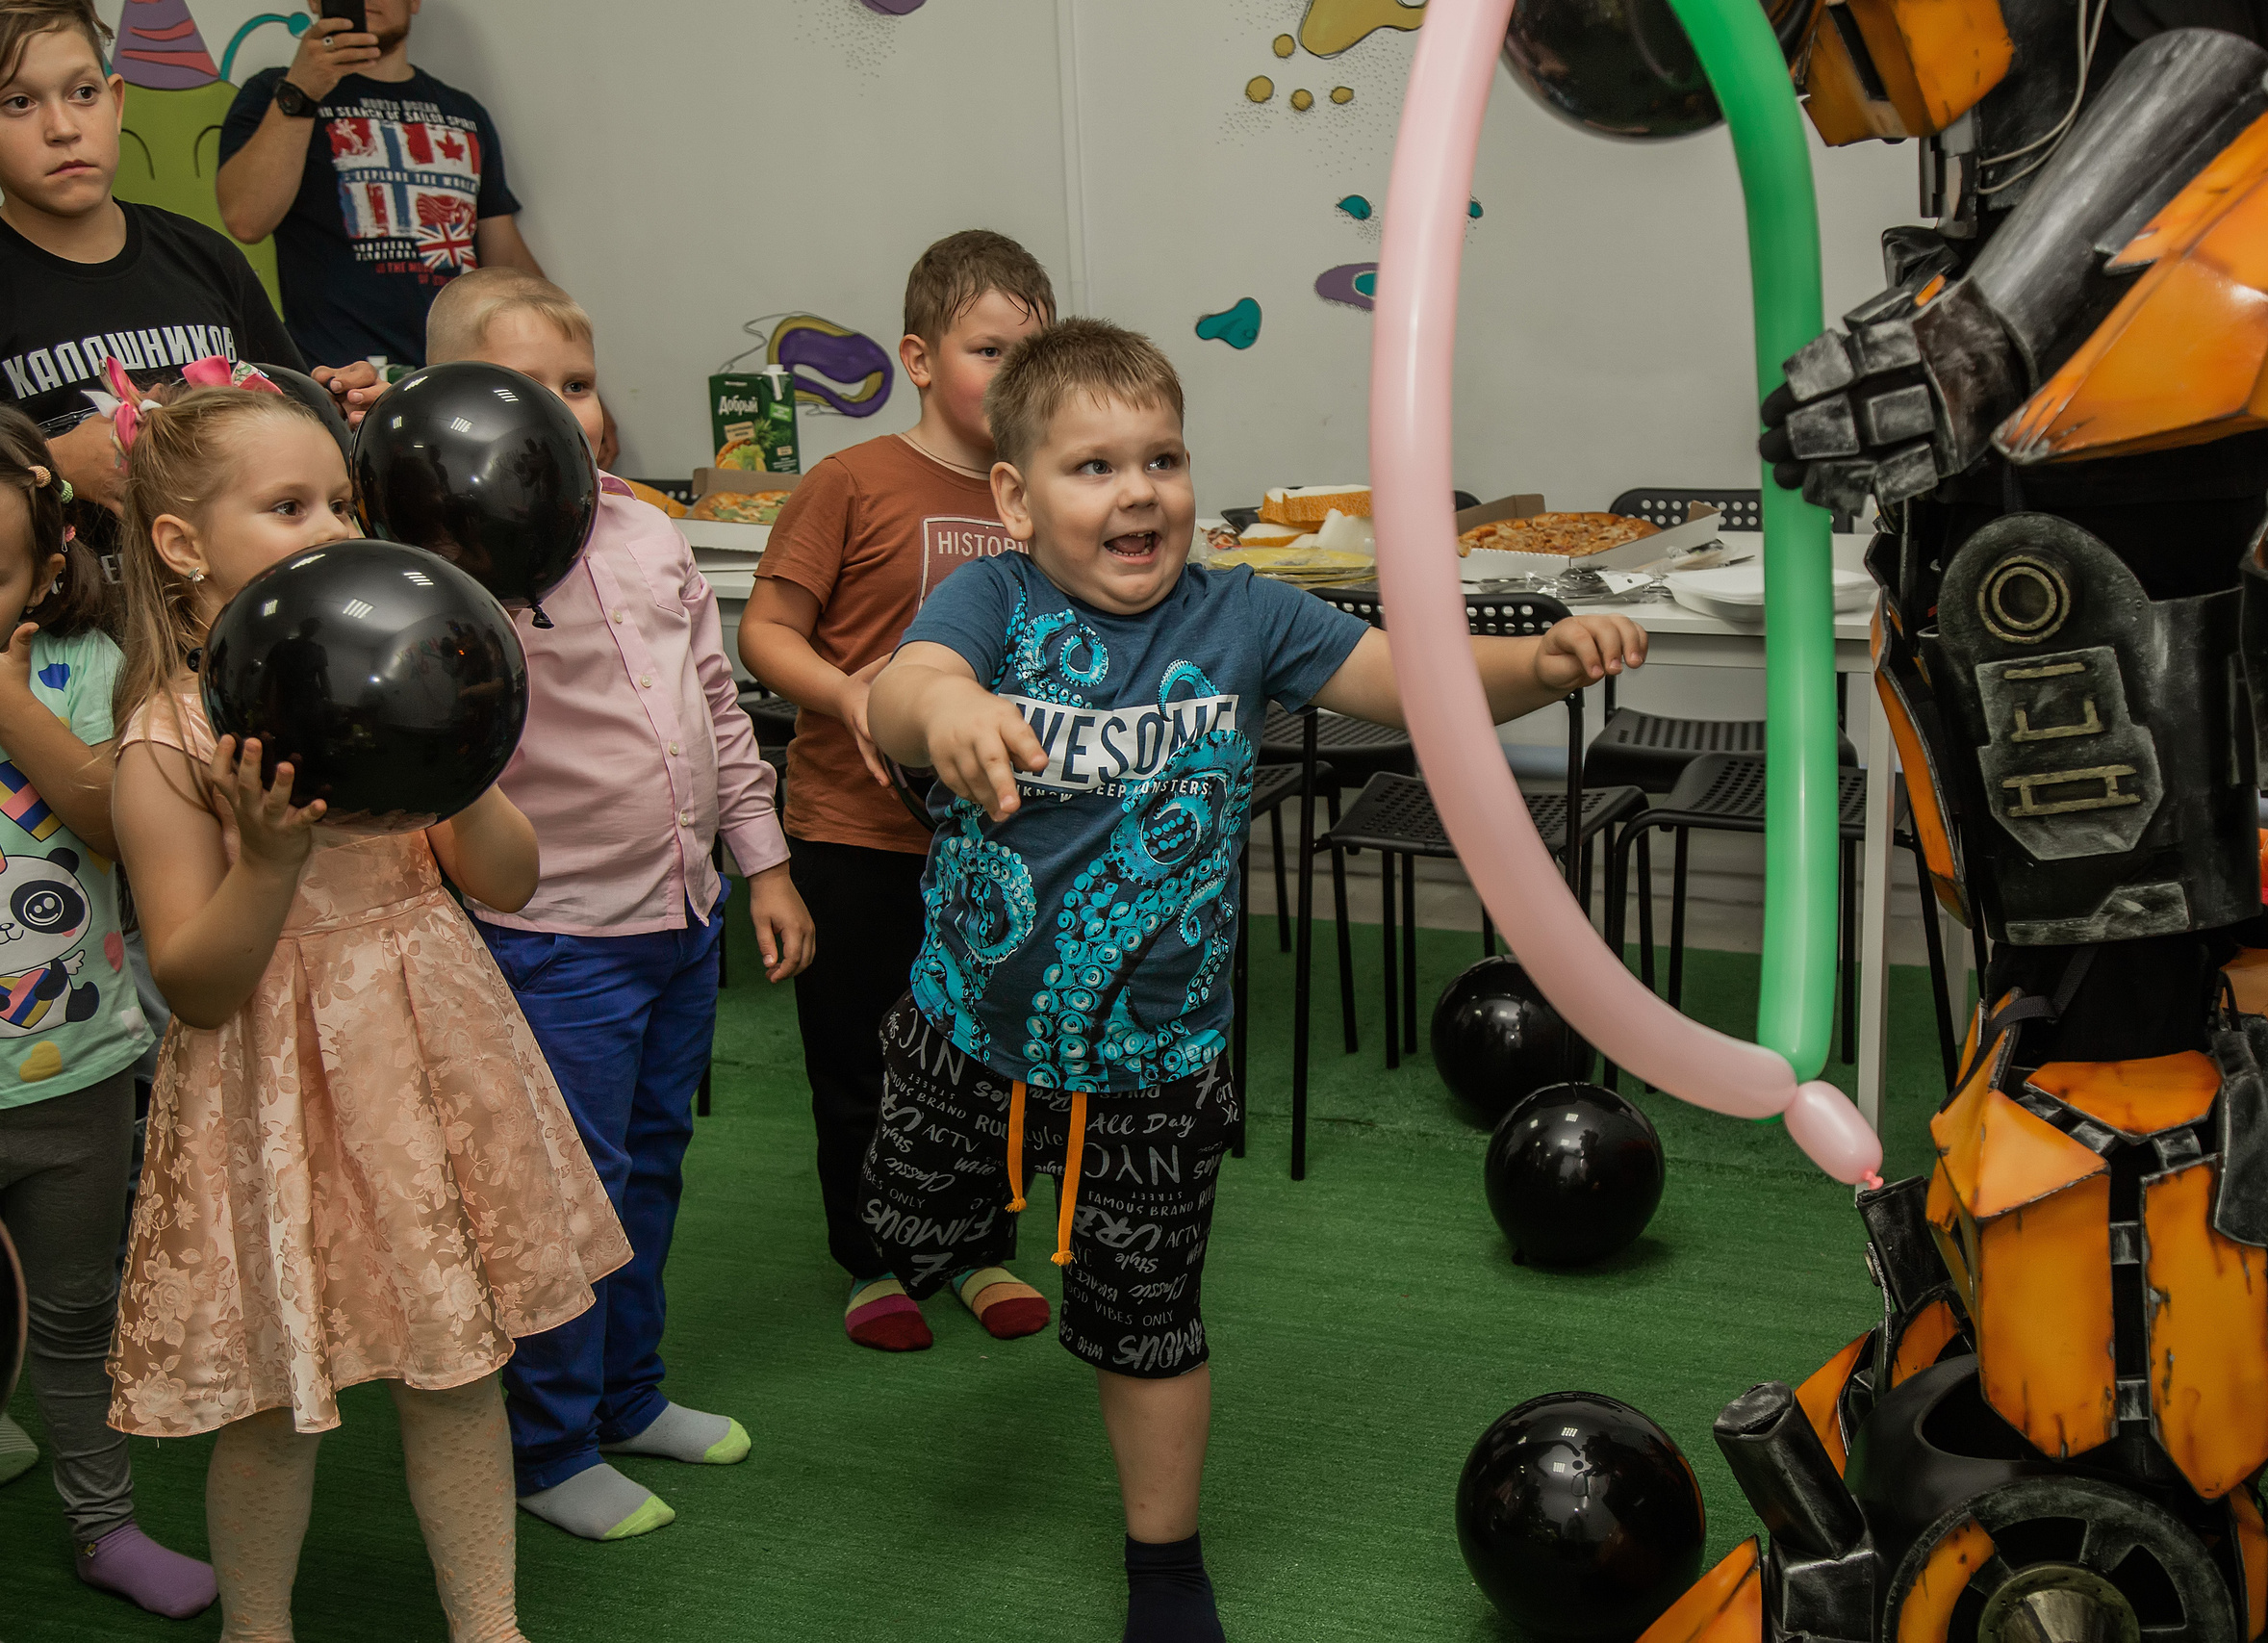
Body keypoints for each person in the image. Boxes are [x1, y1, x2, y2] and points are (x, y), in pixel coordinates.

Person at [865, 319, 1648, 1642]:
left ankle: (1164, 1563)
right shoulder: (991, 604)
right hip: (969, 1032)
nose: (1139, 492)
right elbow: (906, 684)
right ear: (1014, 495)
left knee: (1150, 1319)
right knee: (913, 1223)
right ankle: (944, 1243)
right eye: (1094, 465)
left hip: (1161, 1059)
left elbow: (1410, 680)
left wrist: (1536, 665)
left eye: (1162, 458)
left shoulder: (1245, 611)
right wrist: (943, 712)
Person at [104, 376, 630, 1640]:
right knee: (275, 1393)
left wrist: (468, 749)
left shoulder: (403, 677)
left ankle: (489, 1624)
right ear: (182, 545)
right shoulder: (168, 737)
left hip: (417, 1051)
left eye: (341, 497)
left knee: (457, 1366)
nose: (335, 522)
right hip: (267, 1074)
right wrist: (272, 858)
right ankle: (259, 1625)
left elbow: (507, 879)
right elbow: (199, 980)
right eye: (289, 503)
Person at [423, 267, 815, 1543]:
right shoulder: (455, 566)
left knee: (650, 1164)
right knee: (561, 1191)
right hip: (557, 934)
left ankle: (625, 1392)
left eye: (579, 384)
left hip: (679, 916)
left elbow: (714, 702)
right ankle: (544, 1444)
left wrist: (761, 858)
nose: (567, 414)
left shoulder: (645, 530)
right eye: (529, 391)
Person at [738, 228, 1055, 1353]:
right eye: (988, 350)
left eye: (1035, 351)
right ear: (920, 358)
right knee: (864, 1058)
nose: (1015, 376)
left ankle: (973, 1249)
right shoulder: (851, 482)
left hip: (998, 845)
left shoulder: (1046, 495)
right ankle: (873, 1258)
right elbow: (765, 631)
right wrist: (852, 695)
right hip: (853, 832)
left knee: (983, 1057)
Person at [0, 403, 213, 1620]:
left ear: (45, 557)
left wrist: (11, 698)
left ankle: (104, 1526)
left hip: (74, 1069)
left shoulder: (82, 670)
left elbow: (103, 817)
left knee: (80, 1319)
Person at [0, 1, 387, 513]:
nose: (63, 127)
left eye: (84, 94)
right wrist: (54, 463)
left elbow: (283, 423)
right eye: (19, 102)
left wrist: (332, 409)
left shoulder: (205, 258)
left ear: (116, 104)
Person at [217, 4, 543, 373]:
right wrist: (302, 91)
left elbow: (504, 259)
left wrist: (563, 378)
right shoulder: (274, 93)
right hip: (340, 380)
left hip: (462, 374)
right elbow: (246, 218)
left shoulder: (464, 111)